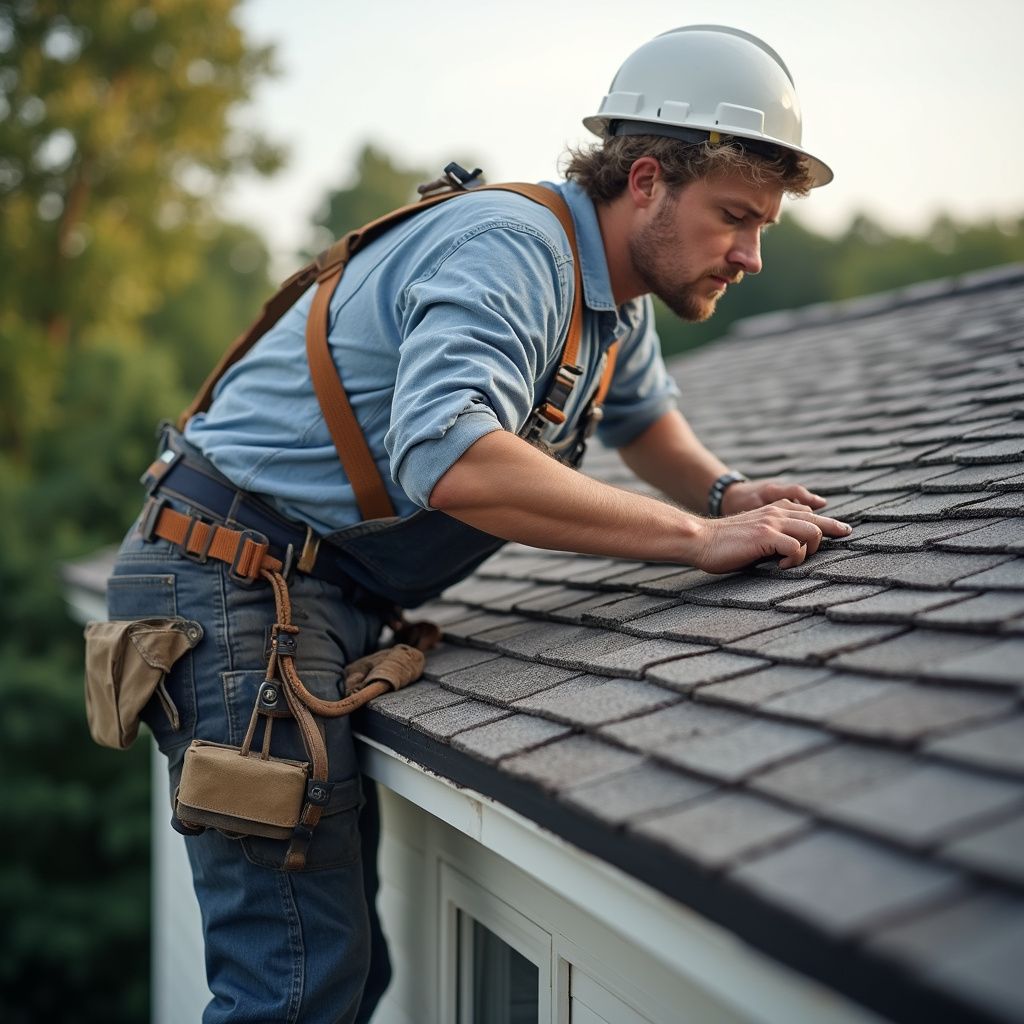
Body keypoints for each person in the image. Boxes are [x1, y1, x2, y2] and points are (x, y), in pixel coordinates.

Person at [106, 24, 848, 1024]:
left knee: (340, 978)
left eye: (764, 227)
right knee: (293, 984)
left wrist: (725, 494)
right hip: (231, 581)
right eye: (734, 218)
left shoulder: (613, 303)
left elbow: (639, 418)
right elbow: (447, 456)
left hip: (299, 585)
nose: (752, 254)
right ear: (645, 180)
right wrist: (690, 539)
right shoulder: (517, 249)